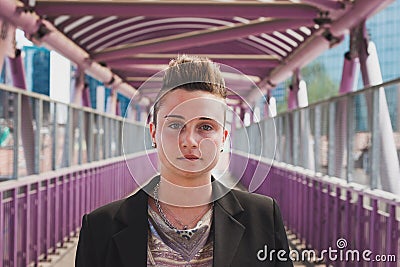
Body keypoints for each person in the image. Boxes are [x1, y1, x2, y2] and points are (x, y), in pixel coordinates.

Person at [75, 55, 292, 267]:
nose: (189, 141)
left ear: (224, 138)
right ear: (153, 133)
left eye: (206, 127)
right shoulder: (99, 228)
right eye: (175, 125)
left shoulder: (264, 218)